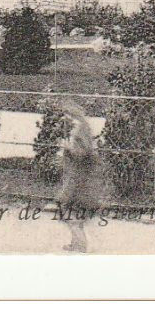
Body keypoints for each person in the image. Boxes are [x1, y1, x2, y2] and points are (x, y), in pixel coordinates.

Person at [56, 101, 100, 253]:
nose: (65, 119)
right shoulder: (83, 127)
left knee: (66, 207)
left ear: (71, 115)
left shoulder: (79, 130)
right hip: (77, 175)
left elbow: (82, 153)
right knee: (71, 209)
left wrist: (67, 147)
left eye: (67, 115)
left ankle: (80, 244)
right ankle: (76, 242)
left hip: (76, 176)